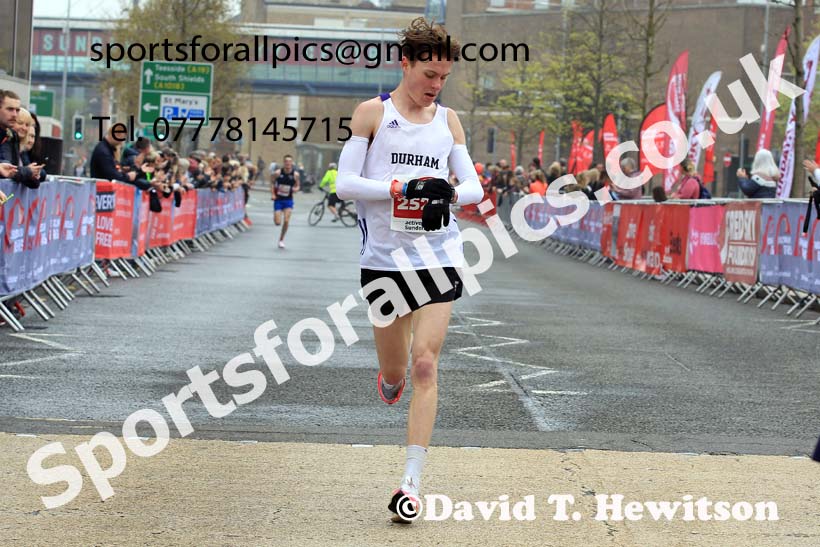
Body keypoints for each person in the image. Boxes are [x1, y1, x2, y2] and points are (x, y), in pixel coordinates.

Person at [335, 16, 483, 523]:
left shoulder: (450, 121)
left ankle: (411, 482)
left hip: (438, 255)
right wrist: (401, 189)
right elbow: (346, 184)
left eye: (444, 78)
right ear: (406, 64)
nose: (436, 86)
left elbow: (475, 189)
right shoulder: (371, 114)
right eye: (429, 75)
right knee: (398, 369)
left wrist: (447, 193)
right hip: (382, 263)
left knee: (426, 364)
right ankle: (388, 379)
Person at [271, 154, 300, 248]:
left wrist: (296, 189)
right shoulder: (278, 173)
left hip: (288, 200)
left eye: (289, 161)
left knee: (287, 221)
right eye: (286, 161)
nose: (288, 163)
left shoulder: (295, 175)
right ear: (284, 163)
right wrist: (273, 194)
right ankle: (276, 215)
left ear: (292, 163)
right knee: (277, 222)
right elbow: (271, 183)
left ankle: (281, 239)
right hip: (278, 200)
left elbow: (298, 185)